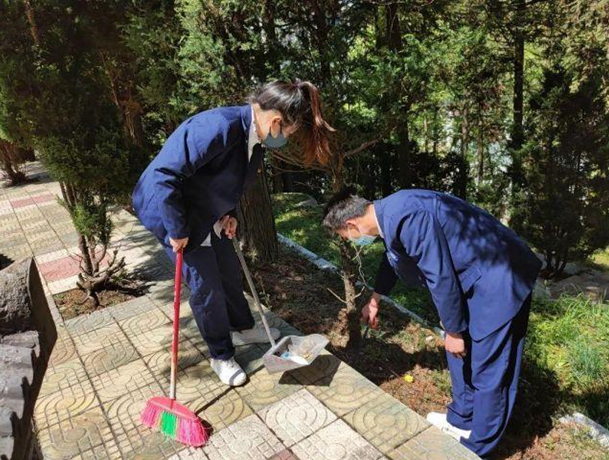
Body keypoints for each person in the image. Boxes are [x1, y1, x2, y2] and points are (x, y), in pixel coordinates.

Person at [132, 80, 333, 386]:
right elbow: (164, 176)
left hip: (202, 208)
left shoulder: (254, 139)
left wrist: (229, 215)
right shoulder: (217, 128)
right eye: (290, 133)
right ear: (276, 122)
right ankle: (221, 355)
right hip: (170, 211)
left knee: (228, 269)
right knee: (206, 287)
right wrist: (177, 229)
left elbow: (228, 182)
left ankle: (242, 328)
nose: (287, 139)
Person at [322, 188, 542, 458]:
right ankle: (462, 418)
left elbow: (440, 275)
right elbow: (392, 258)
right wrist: (375, 300)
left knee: (488, 366)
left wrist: (454, 330)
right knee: (458, 353)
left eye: (345, 236)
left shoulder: (408, 216)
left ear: (351, 224)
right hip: (473, 275)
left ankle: (478, 448)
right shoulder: (387, 216)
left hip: (500, 275)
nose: (351, 241)